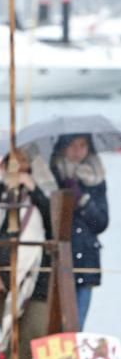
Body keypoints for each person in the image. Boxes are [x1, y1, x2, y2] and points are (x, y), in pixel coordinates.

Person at [0, 149, 54, 359]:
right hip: (2, 272)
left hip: (36, 272)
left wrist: (32, 189)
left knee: (33, 332)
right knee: (7, 332)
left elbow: (53, 221)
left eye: (21, 163)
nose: (17, 168)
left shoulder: (42, 189)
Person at [49, 134, 109, 328]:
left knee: (77, 327)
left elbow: (100, 222)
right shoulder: (52, 174)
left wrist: (83, 201)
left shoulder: (95, 178)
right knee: (55, 325)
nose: (77, 151)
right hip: (58, 260)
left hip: (86, 260)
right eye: (73, 145)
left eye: (83, 145)